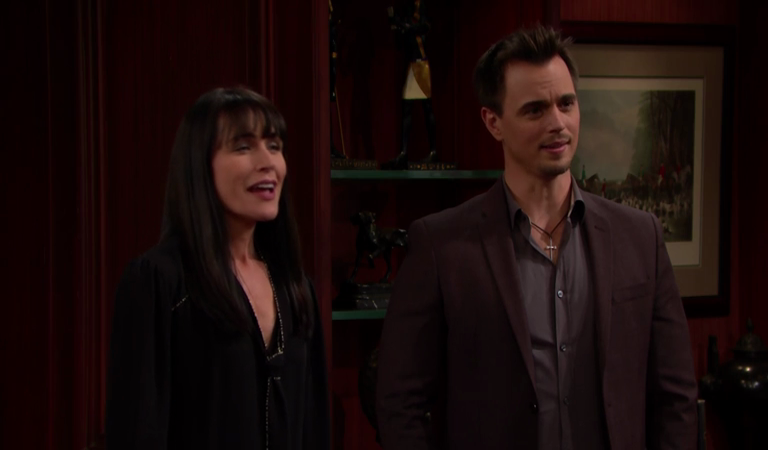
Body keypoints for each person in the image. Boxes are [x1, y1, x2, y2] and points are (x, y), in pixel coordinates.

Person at [376, 25, 697, 450]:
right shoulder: (442, 247)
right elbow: (400, 402)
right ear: (493, 122)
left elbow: (676, 397)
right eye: (535, 110)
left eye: (566, 103)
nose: (557, 123)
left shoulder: (639, 237)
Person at [105, 87, 331, 450]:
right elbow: (136, 430)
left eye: (274, 146)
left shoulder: (295, 287)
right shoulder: (159, 282)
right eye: (243, 147)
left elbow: (313, 427)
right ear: (200, 165)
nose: (268, 162)